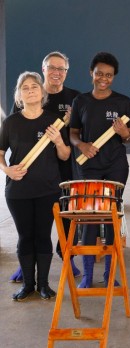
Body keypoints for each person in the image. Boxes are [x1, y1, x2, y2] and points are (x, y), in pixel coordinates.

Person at [8, 51, 81, 283]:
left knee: (68, 216)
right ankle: (26, 267)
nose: (56, 73)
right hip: (33, 171)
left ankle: (66, 256)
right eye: (52, 68)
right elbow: (14, 131)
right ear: (43, 70)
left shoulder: (75, 99)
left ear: (67, 72)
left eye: (61, 69)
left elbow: (80, 134)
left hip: (65, 167)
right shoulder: (29, 96)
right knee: (30, 226)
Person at [0, 71, 70, 300]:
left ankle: (43, 285)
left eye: (34, 86)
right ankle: (27, 284)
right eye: (25, 87)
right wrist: (7, 170)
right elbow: (0, 154)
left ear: (42, 92)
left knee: (42, 235)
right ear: (19, 95)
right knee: (24, 236)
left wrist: (59, 140)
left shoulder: (53, 121)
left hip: (47, 189)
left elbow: (65, 155)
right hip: (18, 190)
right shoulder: (11, 122)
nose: (30, 90)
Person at [69, 52, 130, 288]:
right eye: (99, 74)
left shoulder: (122, 102)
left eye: (108, 75)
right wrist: (82, 145)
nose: (103, 79)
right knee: (89, 218)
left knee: (110, 217)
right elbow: (73, 133)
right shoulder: (81, 102)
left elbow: (129, 139)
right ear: (91, 73)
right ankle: (87, 274)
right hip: (88, 167)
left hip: (115, 166)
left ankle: (109, 273)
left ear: (113, 77)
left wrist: (124, 134)